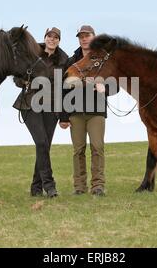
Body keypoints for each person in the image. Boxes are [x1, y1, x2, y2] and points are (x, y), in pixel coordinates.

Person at [60, 25, 116, 196]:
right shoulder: (71, 61)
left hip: (96, 112)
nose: (84, 39)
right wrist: (63, 116)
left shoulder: (104, 60)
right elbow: (63, 90)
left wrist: (104, 88)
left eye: (87, 35)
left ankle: (98, 186)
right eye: (81, 36)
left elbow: (115, 86)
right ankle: (79, 187)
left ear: (94, 37)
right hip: (75, 112)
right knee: (78, 150)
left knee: (97, 148)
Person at [13, 27, 69, 198]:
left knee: (44, 146)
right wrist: (23, 81)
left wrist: (63, 115)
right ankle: (49, 186)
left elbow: (63, 89)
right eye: (49, 36)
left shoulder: (64, 60)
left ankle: (36, 187)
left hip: (51, 108)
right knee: (42, 142)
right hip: (30, 104)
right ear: (44, 38)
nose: (51, 40)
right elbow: (17, 76)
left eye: (55, 37)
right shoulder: (32, 53)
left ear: (59, 40)